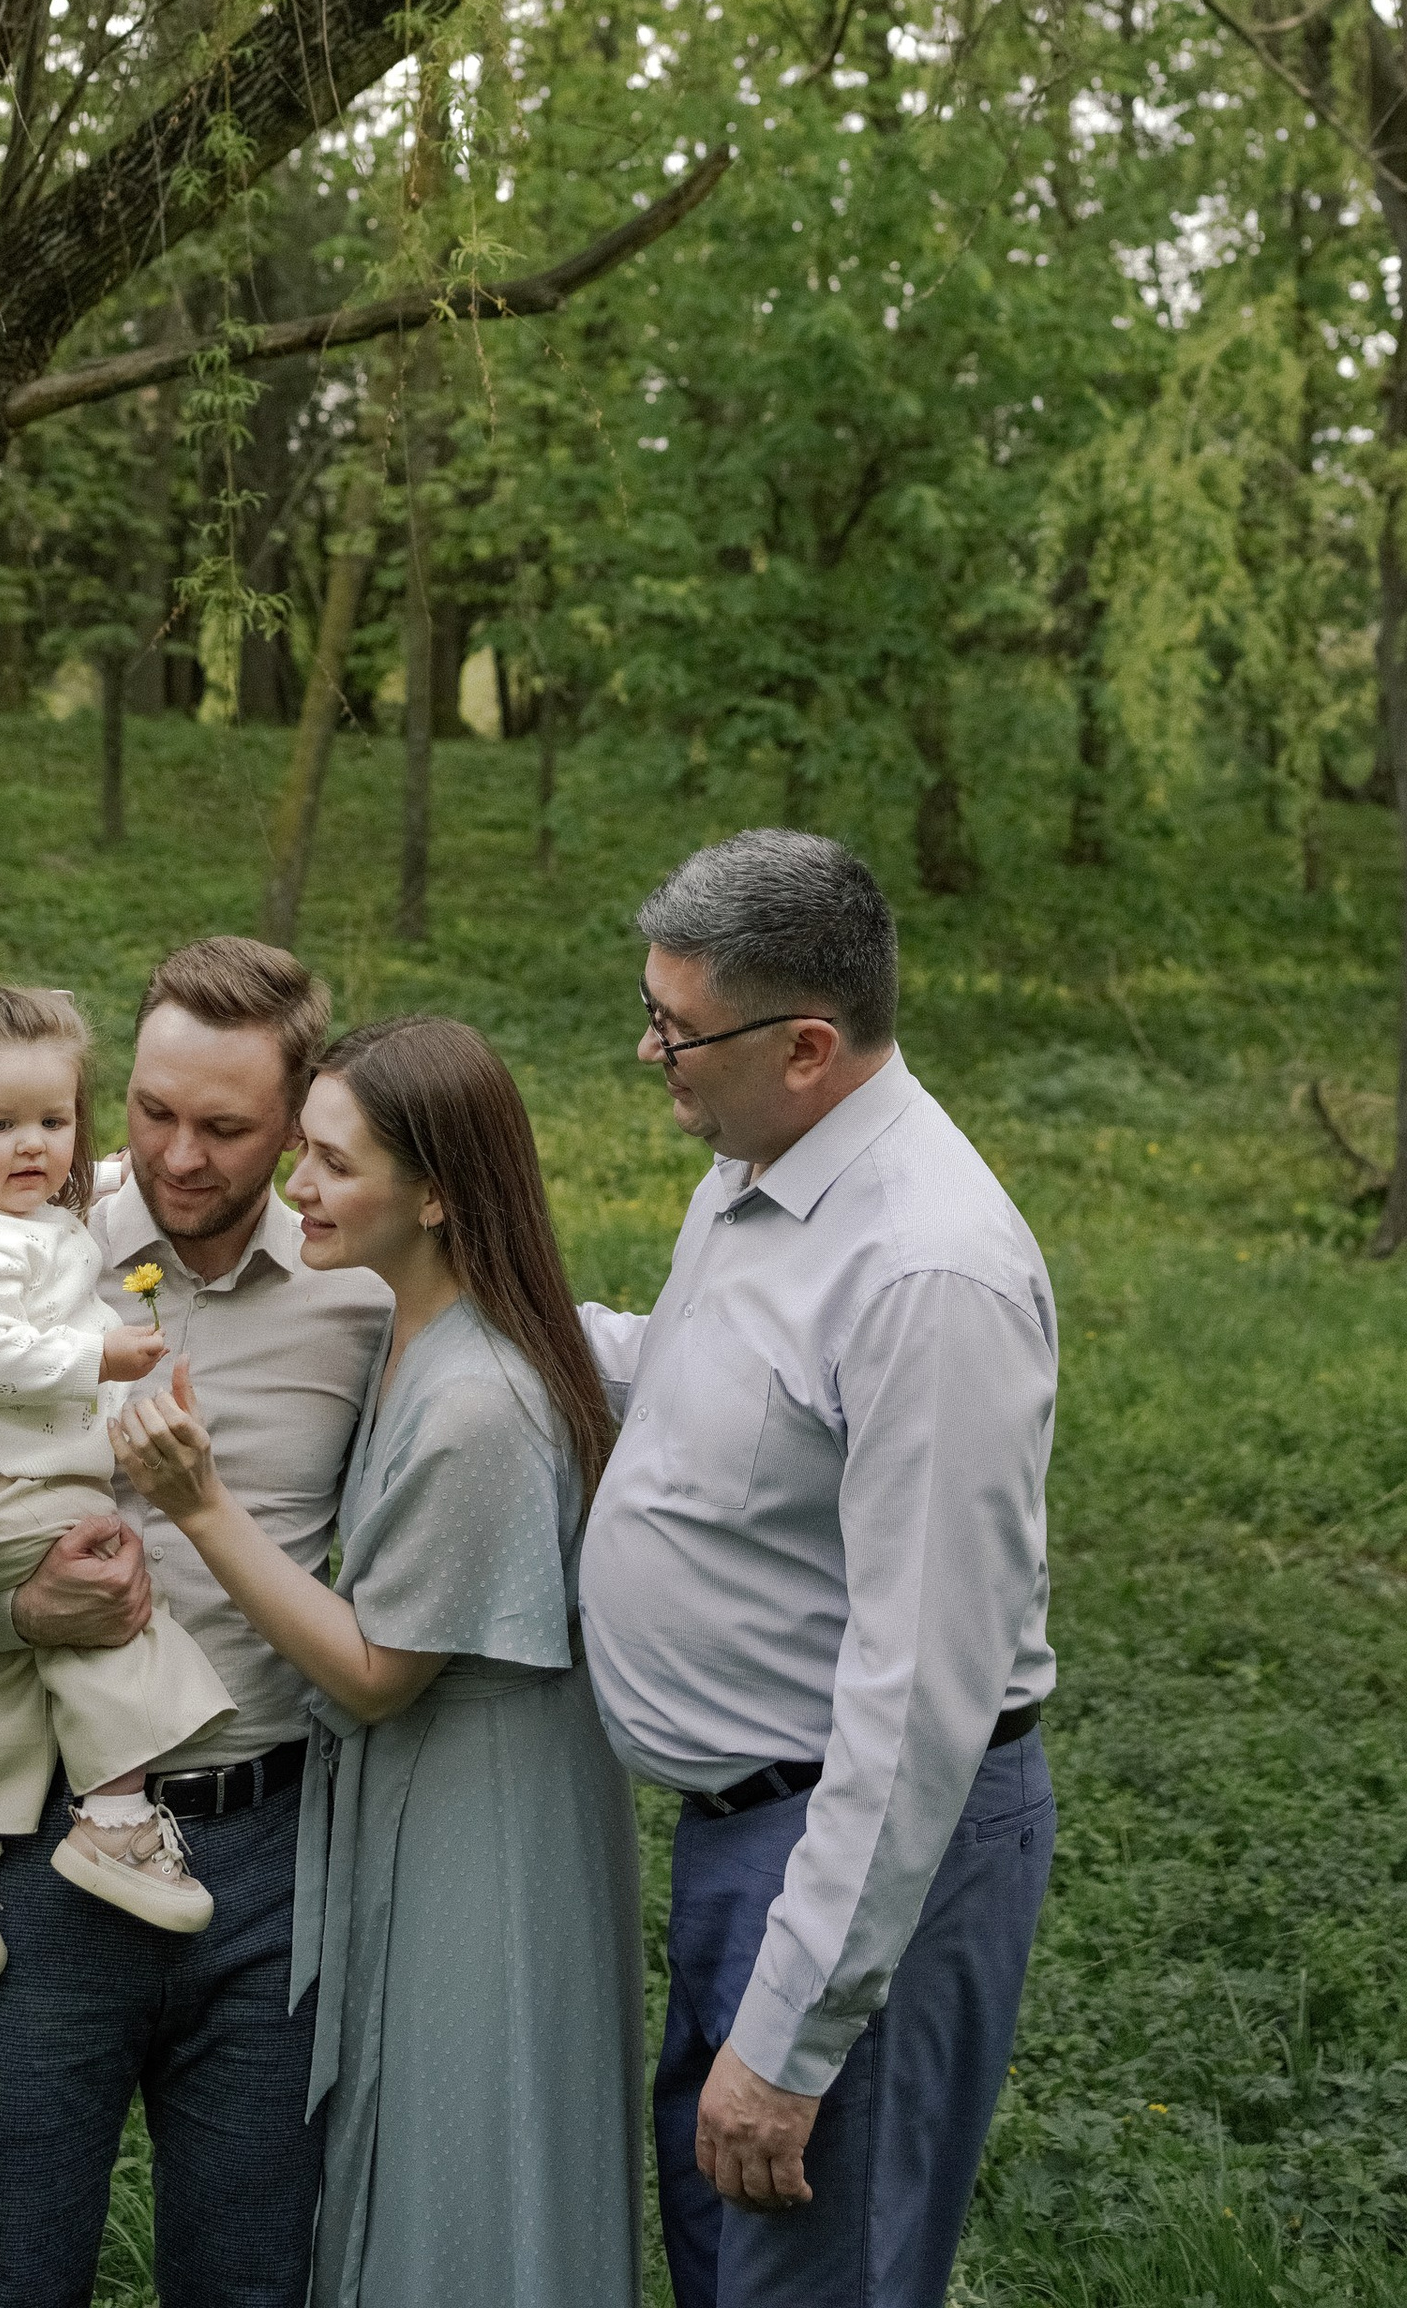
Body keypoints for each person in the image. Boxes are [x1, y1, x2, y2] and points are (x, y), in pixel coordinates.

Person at [577, 829, 1059, 2308]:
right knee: (733, 2261)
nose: (650, 1048)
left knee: (808, 2277)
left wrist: (793, 2042)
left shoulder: (927, 1275)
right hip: (748, 1836)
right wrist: (479, 1305)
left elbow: (919, 1698)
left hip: (858, 1855)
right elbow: (699, 1392)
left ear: (805, 1046)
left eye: (678, 1027)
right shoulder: (756, 1166)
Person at [115, 1011, 646, 2308]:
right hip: (427, 1800)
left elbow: (370, 1674)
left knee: (466, 2161)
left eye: (336, 1166)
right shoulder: (409, 1321)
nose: (298, 1186)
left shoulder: (477, 1399)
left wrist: (201, 1506)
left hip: (487, 1825)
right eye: (301, 1149)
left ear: (441, 1194)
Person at [0, 936, 393, 2308]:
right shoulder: (13, 1251)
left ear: (300, 1122)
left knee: (252, 2283)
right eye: (152, 1111)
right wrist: (12, 1603)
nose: (176, 1158)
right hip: (47, 1845)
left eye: (227, 1129)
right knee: (8, 2277)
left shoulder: (362, 1293)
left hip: (271, 1859)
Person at [0, 966, 233, 1971]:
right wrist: (97, 1359)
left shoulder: (36, 1227)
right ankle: (115, 1822)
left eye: (53, 1121)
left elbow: (67, 1313)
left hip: (15, 1486)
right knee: (115, 1616)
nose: (32, 1145)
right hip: (11, 1490)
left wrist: (131, 1403)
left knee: (0, 1666)